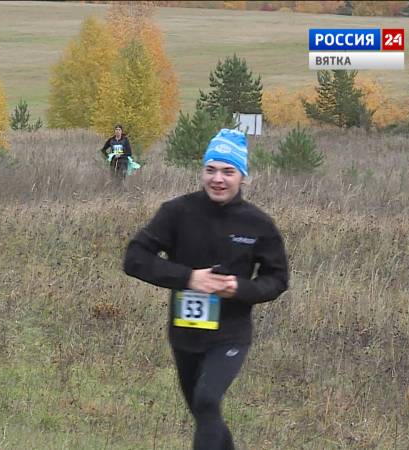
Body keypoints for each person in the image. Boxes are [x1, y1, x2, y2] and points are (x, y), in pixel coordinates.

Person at [123, 129, 289, 449]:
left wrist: (239, 288)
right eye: (211, 169)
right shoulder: (176, 212)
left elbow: (277, 279)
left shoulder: (258, 224)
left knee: (208, 400)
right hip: (185, 333)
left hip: (231, 334)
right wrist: (189, 278)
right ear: (202, 171)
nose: (218, 179)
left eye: (228, 172)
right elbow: (134, 258)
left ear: (242, 176)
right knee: (203, 410)